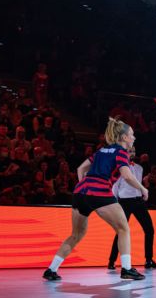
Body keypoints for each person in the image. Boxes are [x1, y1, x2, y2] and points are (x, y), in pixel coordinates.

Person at [42, 117, 148, 281]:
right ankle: (126, 269)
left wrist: (85, 186)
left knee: (76, 234)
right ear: (125, 137)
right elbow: (127, 175)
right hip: (99, 191)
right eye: (132, 135)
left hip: (80, 192)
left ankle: (51, 269)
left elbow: (81, 168)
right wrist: (142, 188)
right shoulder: (121, 152)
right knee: (123, 229)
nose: (134, 137)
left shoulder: (101, 151)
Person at [107, 146, 156, 271]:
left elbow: (138, 184)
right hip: (124, 202)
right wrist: (114, 202)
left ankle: (148, 260)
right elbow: (115, 186)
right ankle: (111, 261)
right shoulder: (119, 168)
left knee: (149, 229)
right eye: (129, 151)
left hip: (138, 201)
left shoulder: (139, 168)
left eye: (134, 151)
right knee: (121, 231)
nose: (132, 153)